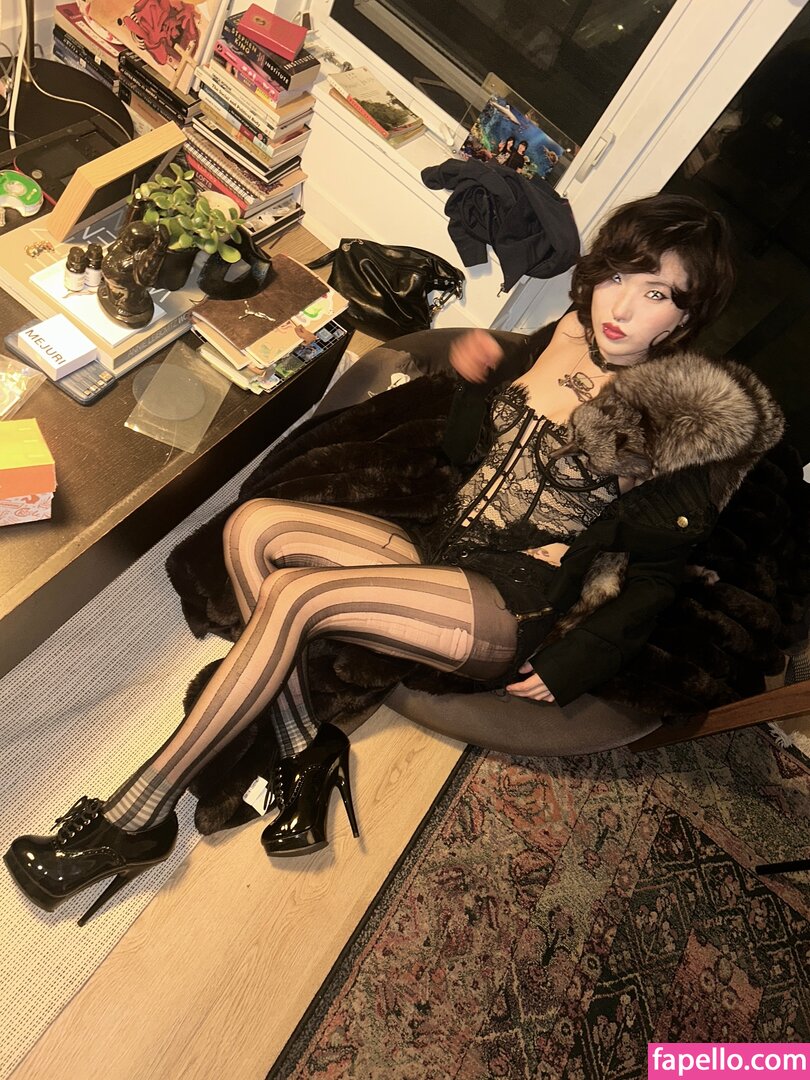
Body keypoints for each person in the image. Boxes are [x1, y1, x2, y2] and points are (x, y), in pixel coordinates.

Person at [6, 194, 766, 927]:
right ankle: (306, 749)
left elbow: (660, 575)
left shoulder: (674, 416)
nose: (621, 306)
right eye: (619, 275)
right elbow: (467, 449)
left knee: (297, 598)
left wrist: (575, 662)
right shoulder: (565, 330)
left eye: (657, 294)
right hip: (442, 543)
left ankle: (135, 819)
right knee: (252, 528)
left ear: (685, 317)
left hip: (509, 600)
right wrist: (479, 377)